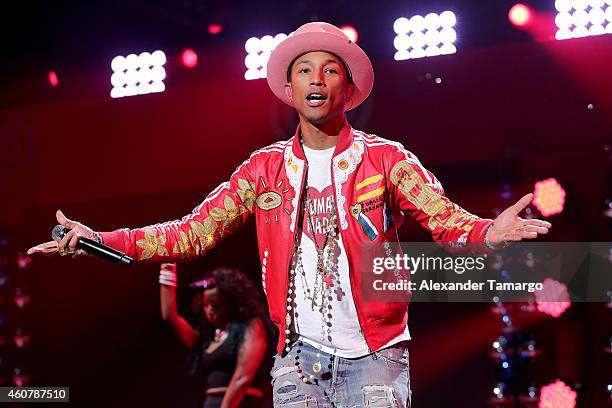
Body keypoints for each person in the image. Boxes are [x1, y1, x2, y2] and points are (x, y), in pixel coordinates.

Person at [28, 22, 552, 407]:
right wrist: (100, 239)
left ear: (348, 89)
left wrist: (489, 230)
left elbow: (445, 220)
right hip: (297, 362)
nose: (316, 78)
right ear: (291, 89)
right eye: (304, 70)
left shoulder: (386, 159)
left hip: (375, 357)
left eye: (329, 70)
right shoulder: (264, 170)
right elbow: (190, 234)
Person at [158, 263, 270, 408]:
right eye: (205, 304)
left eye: (216, 305)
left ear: (230, 302)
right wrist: (168, 271)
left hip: (241, 403)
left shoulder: (252, 327)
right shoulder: (209, 338)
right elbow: (170, 317)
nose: (210, 310)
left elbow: (242, 378)